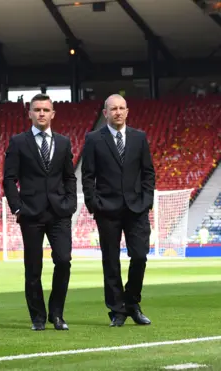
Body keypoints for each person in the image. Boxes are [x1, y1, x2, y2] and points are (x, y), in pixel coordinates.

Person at [3, 93, 77, 331]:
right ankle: (37, 317)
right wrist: (17, 207)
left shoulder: (64, 142)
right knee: (33, 267)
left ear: (53, 113)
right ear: (30, 114)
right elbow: (8, 179)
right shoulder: (18, 142)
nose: (41, 113)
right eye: (37, 110)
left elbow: (69, 176)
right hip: (31, 214)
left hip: (59, 213)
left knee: (64, 261)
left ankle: (57, 314)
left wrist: (70, 204)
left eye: (46, 110)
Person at [81, 94, 155, 327]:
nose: (118, 112)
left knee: (140, 256)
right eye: (113, 109)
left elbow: (148, 173)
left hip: (137, 209)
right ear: (105, 113)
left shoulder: (139, 137)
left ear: (127, 111)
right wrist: (94, 204)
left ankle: (132, 303)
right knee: (110, 261)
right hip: (107, 209)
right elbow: (88, 175)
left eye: (122, 108)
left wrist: (146, 201)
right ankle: (117, 310)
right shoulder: (93, 139)